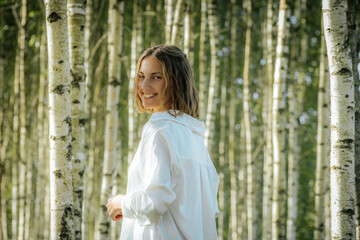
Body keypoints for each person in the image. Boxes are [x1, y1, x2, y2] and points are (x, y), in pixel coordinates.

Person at [106, 45, 220, 240]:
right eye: (141, 76)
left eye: (156, 77)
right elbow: (198, 210)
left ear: (176, 82)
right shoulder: (194, 136)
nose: (144, 86)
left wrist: (121, 203)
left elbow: (153, 203)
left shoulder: (158, 131)